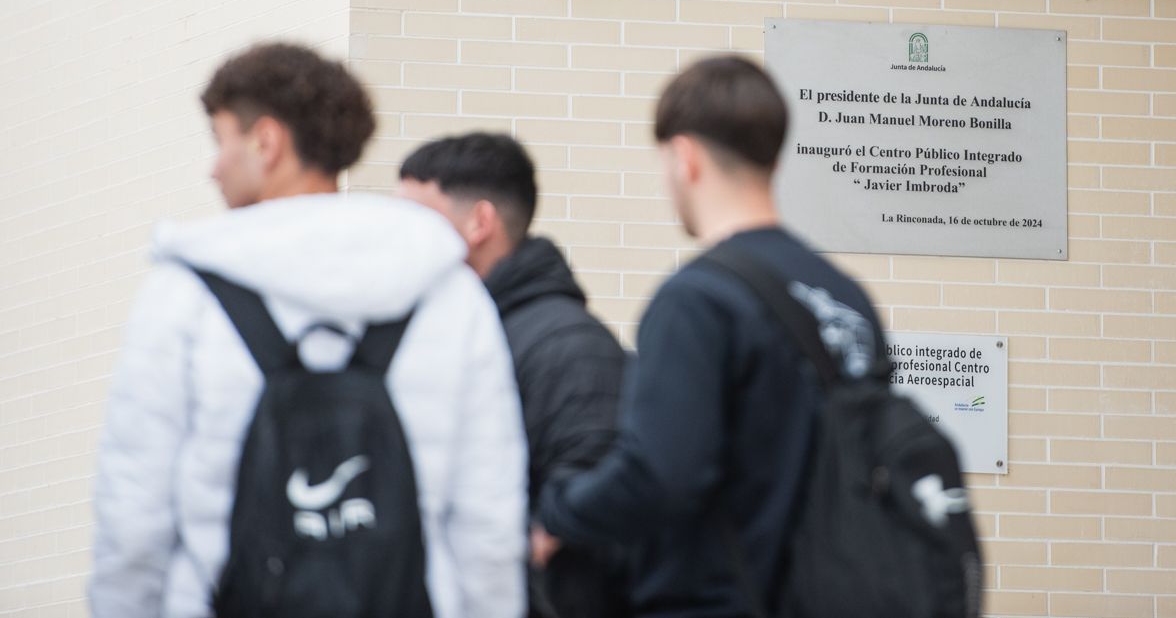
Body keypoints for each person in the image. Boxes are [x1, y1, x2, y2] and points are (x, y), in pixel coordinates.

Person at [89, 42, 528, 618]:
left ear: (266, 142)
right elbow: (489, 516)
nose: (213, 167)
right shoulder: (449, 292)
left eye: (221, 141)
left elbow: (135, 510)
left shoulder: (186, 295)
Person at [533, 55, 887, 618]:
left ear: (685, 156)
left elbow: (660, 473)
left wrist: (556, 515)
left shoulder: (696, 300)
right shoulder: (847, 297)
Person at [397, 132, 629, 618]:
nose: (405, 237)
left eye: (419, 218)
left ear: (480, 222)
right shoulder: (465, 330)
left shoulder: (569, 346)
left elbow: (591, 490)